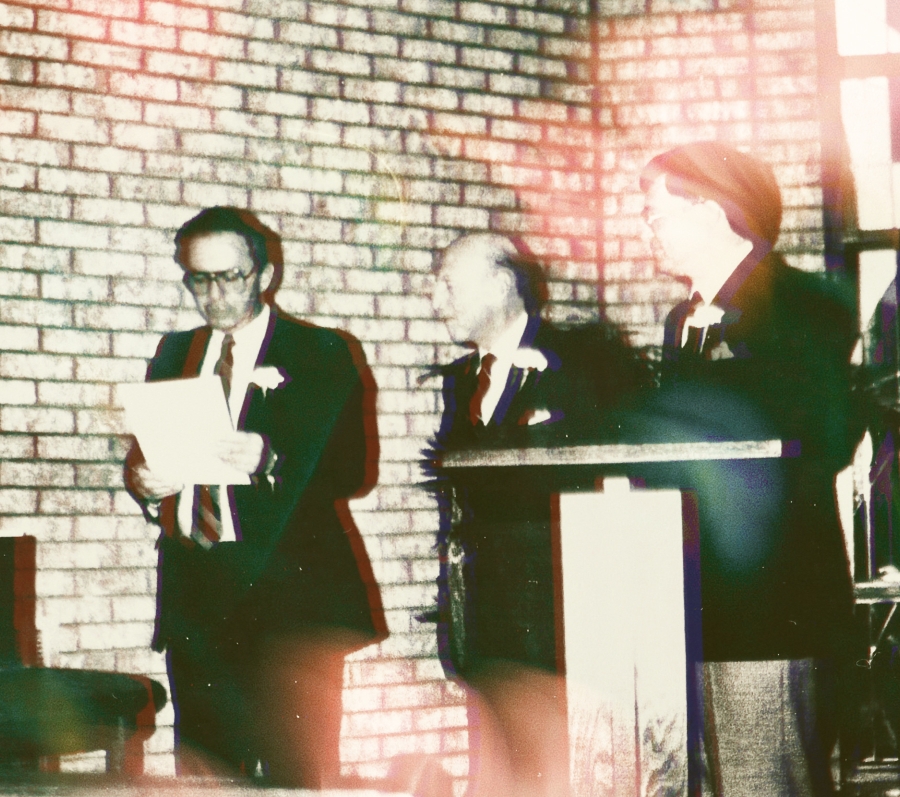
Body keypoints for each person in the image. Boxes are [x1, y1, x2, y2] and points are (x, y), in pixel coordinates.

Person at [124, 207, 382, 786]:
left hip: (290, 600)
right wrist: (143, 482)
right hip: (198, 594)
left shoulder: (320, 353)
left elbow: (353, 470)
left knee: (299, 773)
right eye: (199, 279)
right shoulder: (174, 352)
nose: (214, 295)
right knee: (206, 773)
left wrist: (271, 458)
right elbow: (144, 454)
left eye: (230, 277)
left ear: (264, 276)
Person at [635, 142, 861, 795]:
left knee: (768, 782)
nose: (647, 229)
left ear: (709, 210)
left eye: (656, 213)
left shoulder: (801, 301)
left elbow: (818, 434)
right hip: (692, 605)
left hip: (773, 609)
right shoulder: (683, 322)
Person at [425, 232, 648, 796]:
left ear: (502, 283)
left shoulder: (588, 361)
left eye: (448, 284)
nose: (436, 299)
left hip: (569, 622)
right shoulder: (461, 382)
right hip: (488, 625)